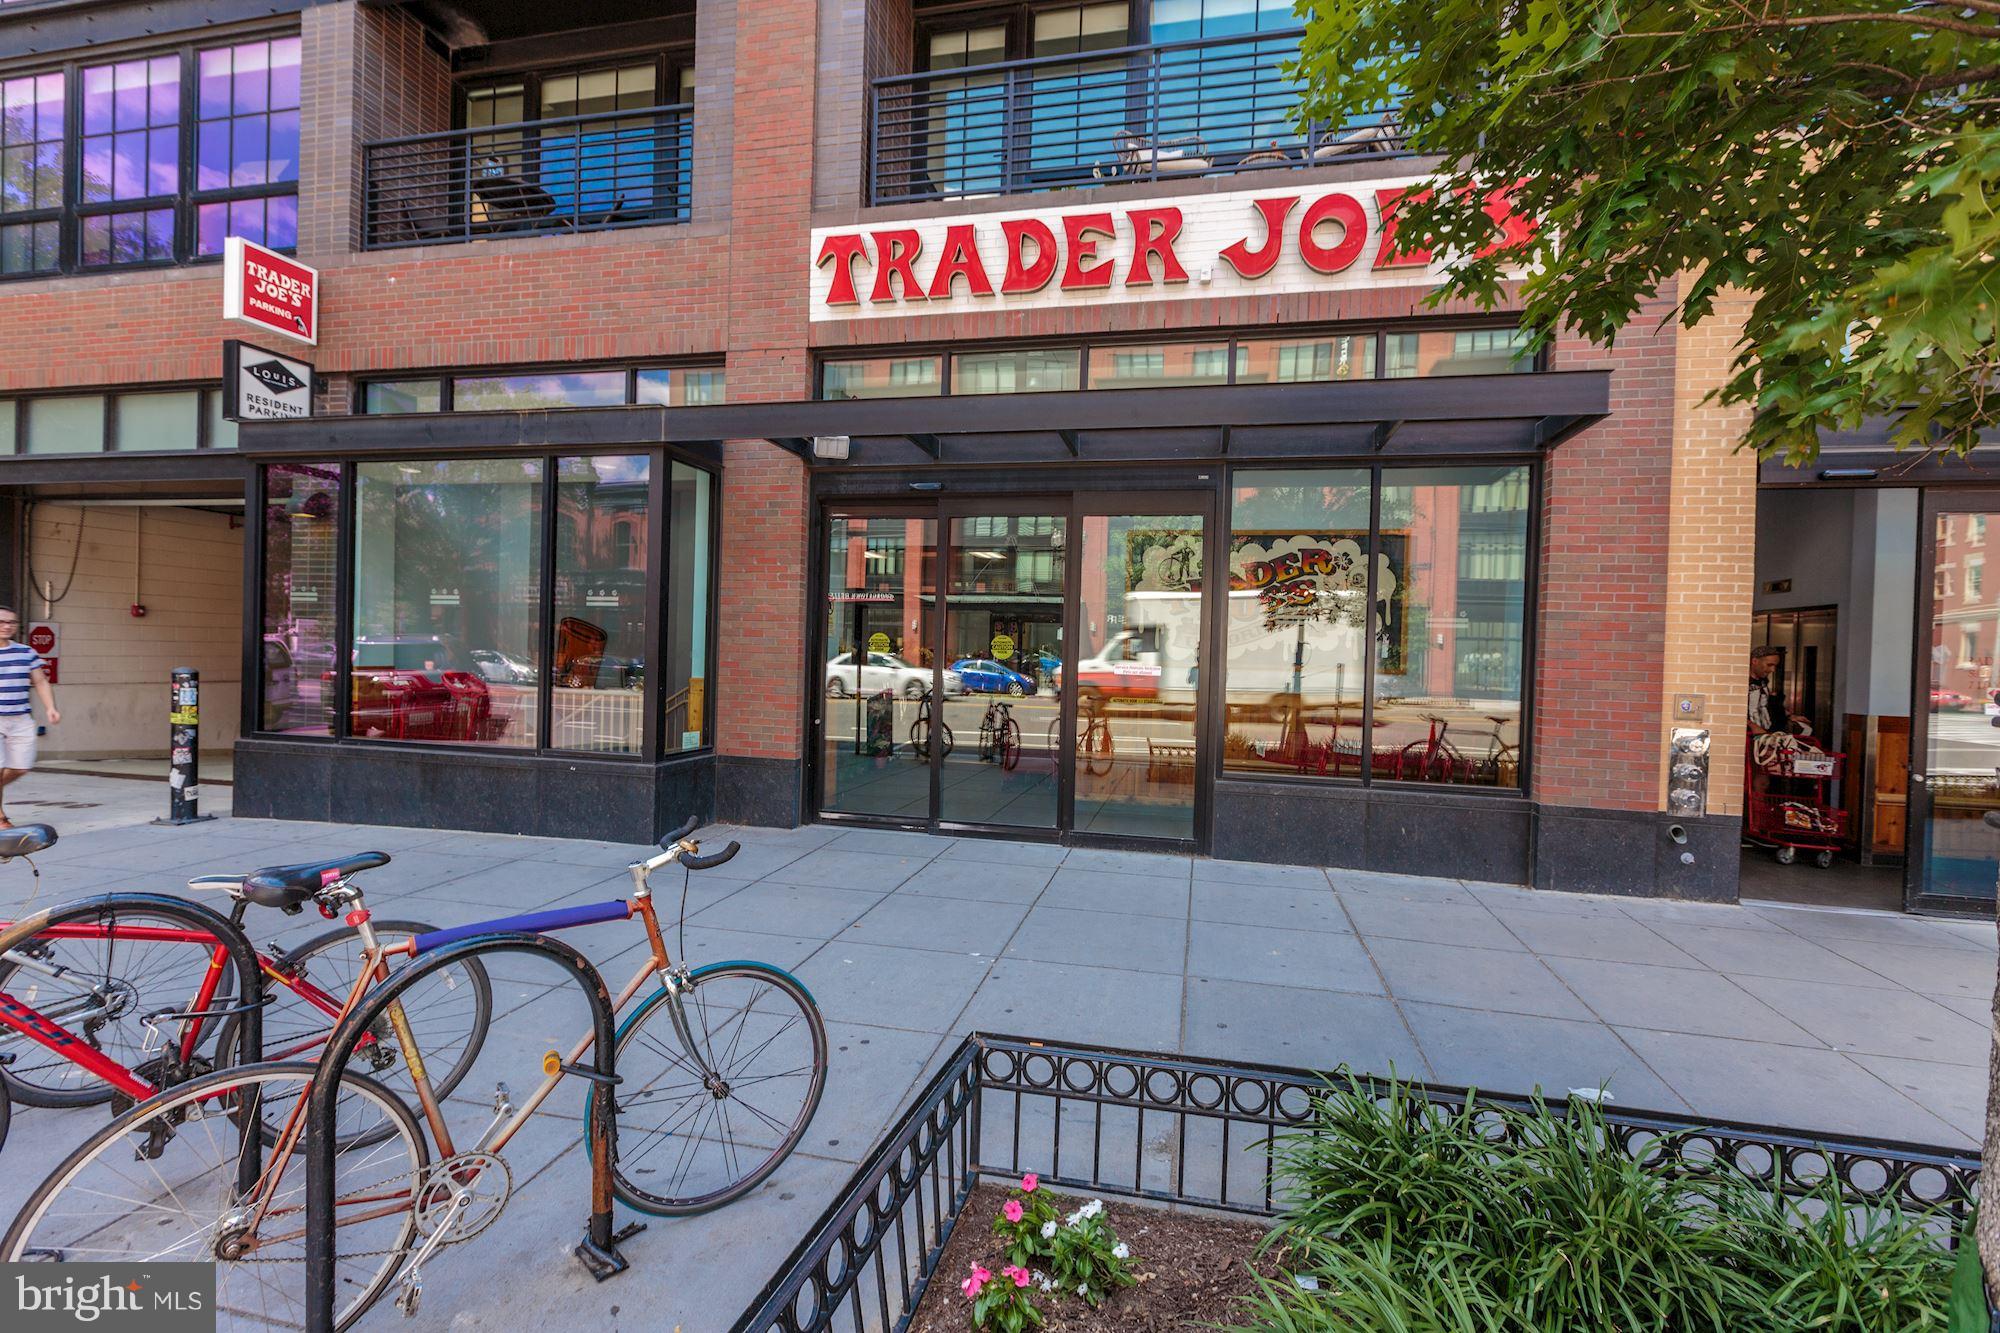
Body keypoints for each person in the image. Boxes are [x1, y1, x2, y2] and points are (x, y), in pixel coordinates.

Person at [0, 608, 59, 828]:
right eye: (2, 622)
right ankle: (1, 820)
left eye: (11, 622)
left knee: (20, 767)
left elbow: (41, 682)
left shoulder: (26, 652)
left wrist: (50, 708)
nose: (7, 626)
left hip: (21, 718)